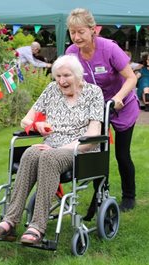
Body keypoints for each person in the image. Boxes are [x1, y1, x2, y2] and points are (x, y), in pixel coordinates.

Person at [0, 54, 104, 244]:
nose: (61, 81)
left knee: (48, 157)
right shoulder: (51, 90)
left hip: (79, 150)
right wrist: (36, 125)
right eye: (57, 76)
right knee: (31, 152)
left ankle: (37, 227)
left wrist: (61, 148)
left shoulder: (93, 93)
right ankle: (10, 222)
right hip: (50, 146)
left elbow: (92, 137)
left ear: (78, 75)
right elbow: (26, 119)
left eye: (66, 76)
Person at [65, 8, 139, 212]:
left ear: (92, 30)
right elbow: (72, 81)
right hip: (96, 109)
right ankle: (99, 196)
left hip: (121, 104)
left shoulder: (109, 49)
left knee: (122, 154)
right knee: (95, 151)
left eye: (80, 32)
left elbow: (131, 78)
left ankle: (129, 197)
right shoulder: (71, 53)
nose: (76, 37)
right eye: (72, 32)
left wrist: (117, 98)